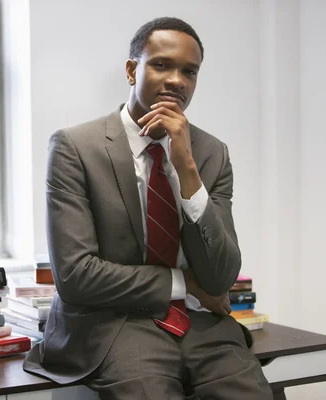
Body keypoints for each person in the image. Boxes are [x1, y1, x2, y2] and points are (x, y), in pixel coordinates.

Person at [23, 17, 273, 400]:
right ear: (131, 70)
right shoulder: (76, 147)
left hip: (201, 324)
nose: (177, 80)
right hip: (112, 325)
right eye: (161, 65)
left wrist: (186, 168)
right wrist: (186, 283)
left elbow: (221, 276)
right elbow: (75, 276)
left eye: (189, 71)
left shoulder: (210, 154)